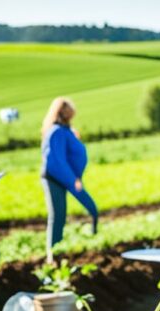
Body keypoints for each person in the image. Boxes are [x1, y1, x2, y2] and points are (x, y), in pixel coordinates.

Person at [40, 97, 98, 264]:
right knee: (57, 216)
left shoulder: (64, 131)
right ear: (63, 113)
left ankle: (56, 252)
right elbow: (57, 160)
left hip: (66, 178)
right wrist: (72, 180)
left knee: (61, 216)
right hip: (56, 178)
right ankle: (52, 256)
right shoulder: (56, 131)